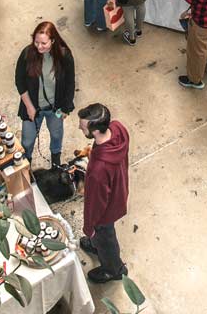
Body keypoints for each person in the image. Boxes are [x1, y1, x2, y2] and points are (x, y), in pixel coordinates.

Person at [78, 104, 129, 283]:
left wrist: (90, 226)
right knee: (100, 236)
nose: (79, 127)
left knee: (105, 236)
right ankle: (94, 245)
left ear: (96, 131)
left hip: (105, 211)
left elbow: (96, 204)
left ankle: (114, 268)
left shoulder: (99, 169)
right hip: (119, 190)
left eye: (83, 126)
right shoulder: (118, 129)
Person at [15, 21, 76, 167]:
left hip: (55, 109)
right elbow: (19, 81)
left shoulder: (64, 56)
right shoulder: (27, 54)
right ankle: (26, 164)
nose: (39, 47)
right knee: (27, 140)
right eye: (36, 42)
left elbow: (70, 83)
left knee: (56, 135)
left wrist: (66, 108)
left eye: (44, 43)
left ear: (53, 41)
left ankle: (55, 160)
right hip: (33, 108)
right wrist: (29, 106)